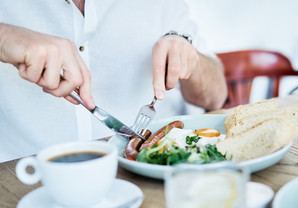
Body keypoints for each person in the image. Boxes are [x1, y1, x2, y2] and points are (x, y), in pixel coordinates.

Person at [0, 0, 227, 162]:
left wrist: (189, 59)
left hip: (158, 177)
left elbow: (217, 95)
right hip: (19, 180)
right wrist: (5, 37)